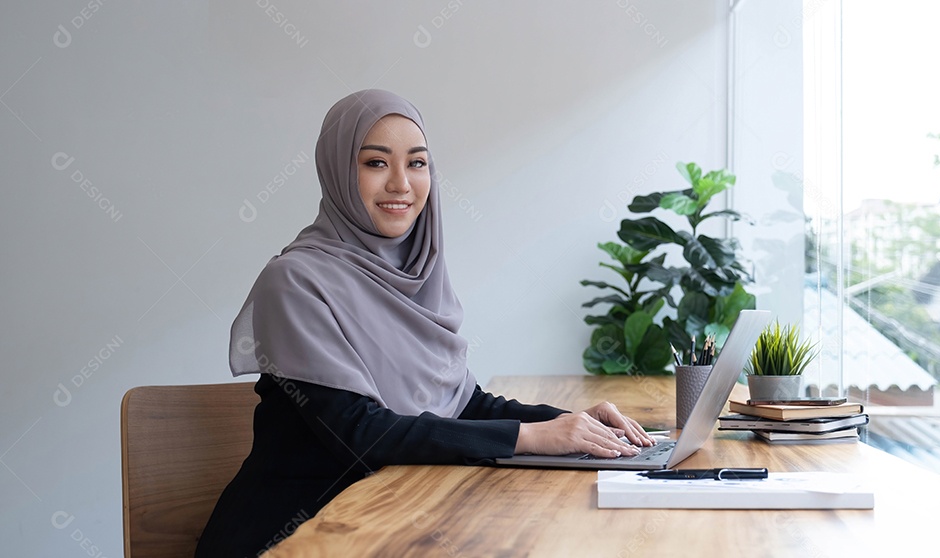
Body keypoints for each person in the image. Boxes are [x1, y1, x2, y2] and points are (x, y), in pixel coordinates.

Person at [195, 89, 655, 557]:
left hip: (393, 524)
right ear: (336, 170)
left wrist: (570, 425)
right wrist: (530, 437)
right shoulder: (295, 280)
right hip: (297, 537)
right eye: (376, 163)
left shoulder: (418, 272)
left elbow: (463, 404)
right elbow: (361, 433)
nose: (401, 184)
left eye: (417, 163)